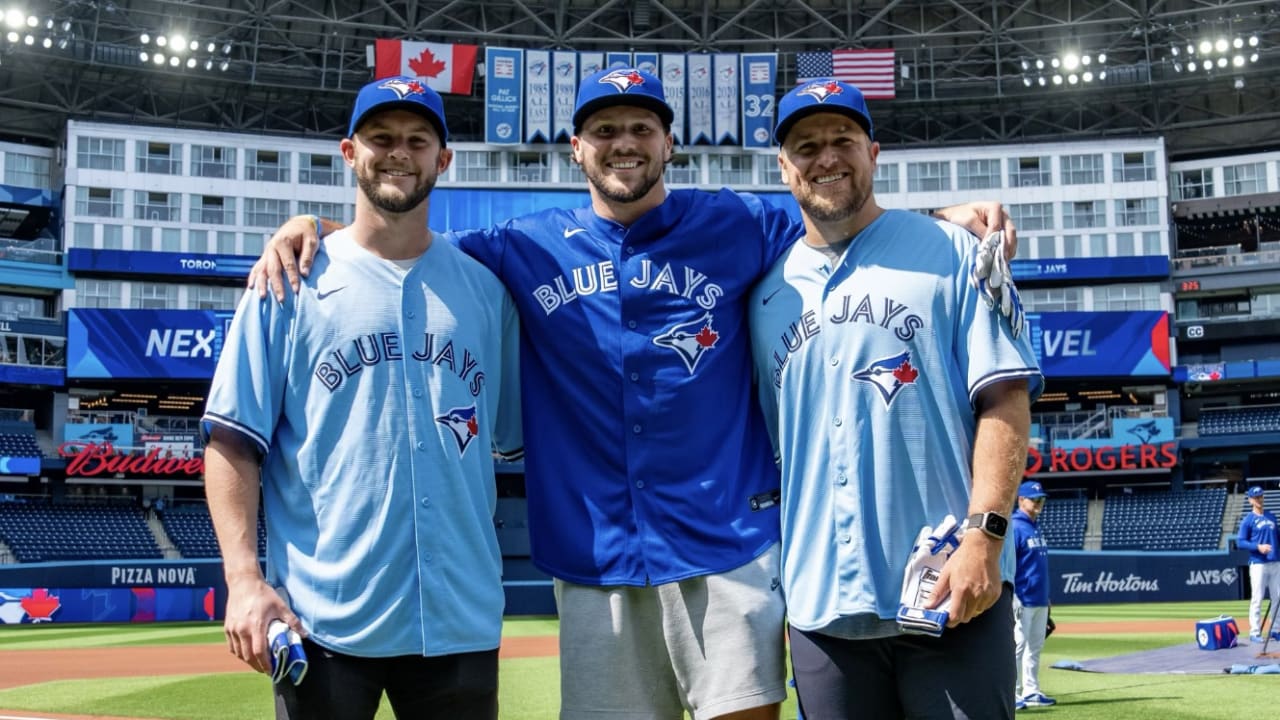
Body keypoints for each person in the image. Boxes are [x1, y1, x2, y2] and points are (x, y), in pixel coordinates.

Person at [248, 68, 1021, 720]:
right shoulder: (518, 247)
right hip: (596, 561)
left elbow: (843, 215)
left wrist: (942, 221)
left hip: (725, 549)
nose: (625, 142)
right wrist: (314, 223)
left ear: (668, 144)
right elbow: (400, 236)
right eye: (606, 127)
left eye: (642, 128)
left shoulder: (740, 223)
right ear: (577, 147)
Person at [202, 76, 522, 720]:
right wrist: (242, 579)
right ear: (350, 153)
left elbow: (511, 437)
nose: (398, 152)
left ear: (444, 159)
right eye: (380, 139)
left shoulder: (488, 294)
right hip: (322, 620)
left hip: (458, 617)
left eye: (416, 140)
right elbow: (232, 440)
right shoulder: (286, 281)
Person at [749, 78, 1043, 719]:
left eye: (842, 140)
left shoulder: (954, 252)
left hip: (951, 588)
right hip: (822, 603)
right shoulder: (765, 293)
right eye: (807, 145)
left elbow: (1006, 399)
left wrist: (985, 539)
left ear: (874, 152)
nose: (826, 157)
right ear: (784, 166)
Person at [1012, 480, 1054, 710]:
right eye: (1034, 499)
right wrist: (1013, 596)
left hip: (1039, 598)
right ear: (1021, 500)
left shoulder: (1035, 527)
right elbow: (1009, 564)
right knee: (1018, 645)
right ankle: (1013, 693)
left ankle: (1031, 690)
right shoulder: (1015, 527)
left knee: (1035, 646)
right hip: (1022, 598)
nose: (1039, 503)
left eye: (1041, 499)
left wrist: (1046, 596)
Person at [1238, 485, 1280, 642]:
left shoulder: (1271, 516)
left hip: (1275, 562)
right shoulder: (1248, 521)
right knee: (1257, 597)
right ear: (1250, 500)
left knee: (1278, 598)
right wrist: (1258, 547)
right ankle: (1255, 632)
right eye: (1255, 497)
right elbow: (1241, 542)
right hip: (1258, 563)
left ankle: (1275, 629)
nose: (1259, 499)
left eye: (1261, 496)